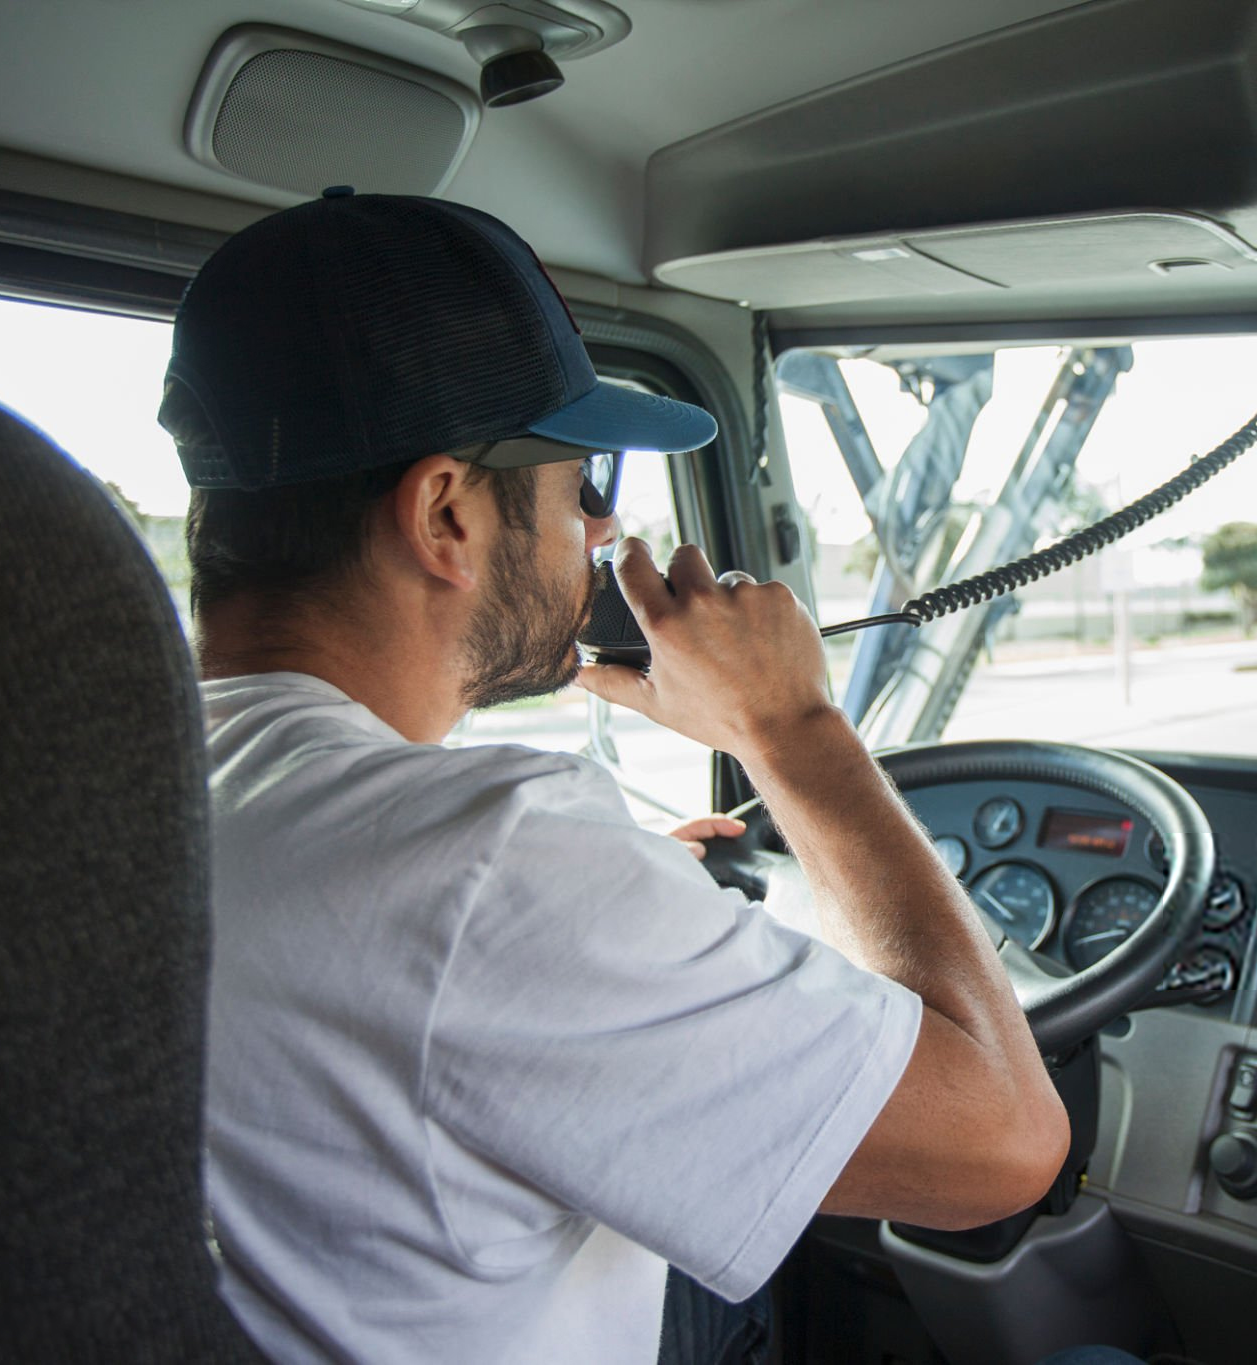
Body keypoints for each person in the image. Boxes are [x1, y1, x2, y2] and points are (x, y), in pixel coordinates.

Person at [161, 190, 1086, 1364]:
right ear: (444, 513)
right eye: (582, 478)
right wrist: (790, 724)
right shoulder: (491, 861)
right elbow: (1005, 1146)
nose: (603, 532)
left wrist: (622, 910)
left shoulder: (121, 778)